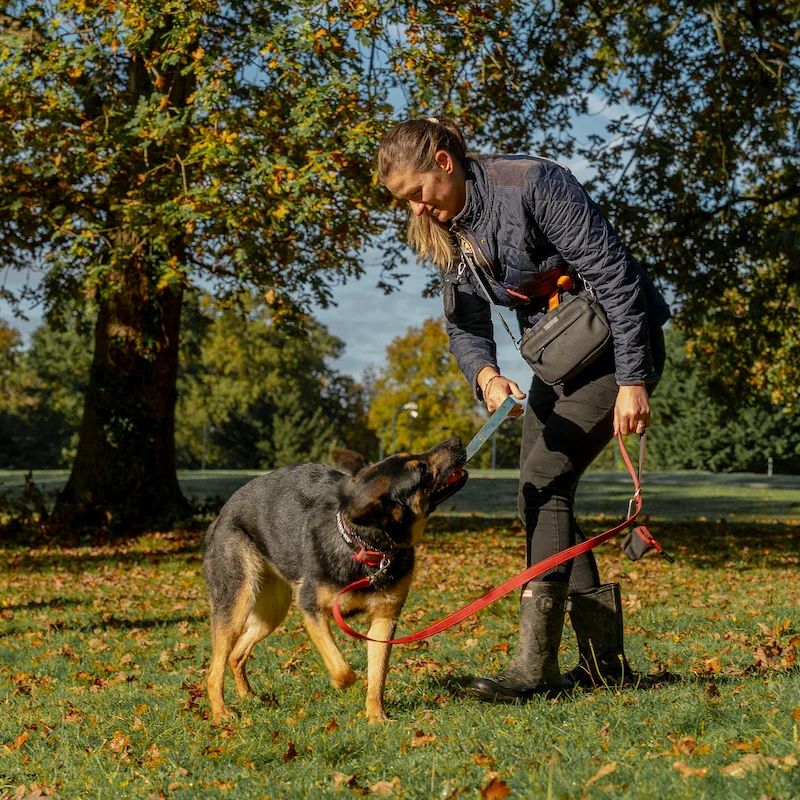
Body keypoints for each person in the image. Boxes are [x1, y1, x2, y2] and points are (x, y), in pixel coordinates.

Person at [377, 117, 670, 701]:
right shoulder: (453, 232)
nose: (414, 210)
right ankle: (604, 667)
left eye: (415, 194)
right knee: (537, 493)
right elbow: (465, 324)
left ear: (443, 163)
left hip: (616, 351)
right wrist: (486, 377)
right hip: (560, 361)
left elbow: (616, 278)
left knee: (543, 480)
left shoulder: (533, 184)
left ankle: (536, 670)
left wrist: (634, 381)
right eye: (401, 202)